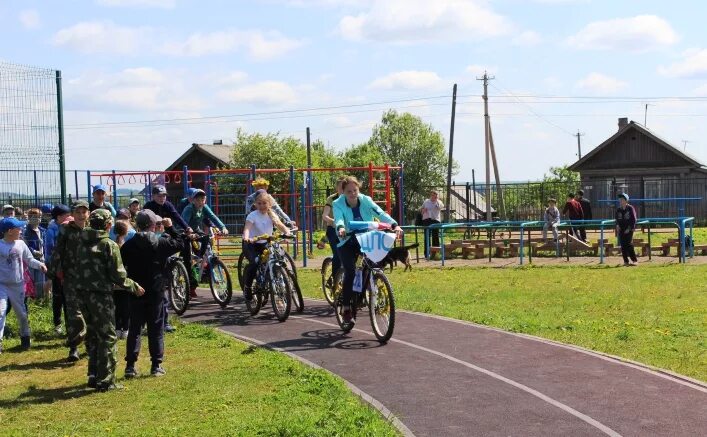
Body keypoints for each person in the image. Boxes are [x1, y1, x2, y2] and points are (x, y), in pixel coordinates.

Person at [74, 209, 144, 391]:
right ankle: (106, 380)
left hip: (82, 294)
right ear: (107, 225)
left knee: (93, 335)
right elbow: (118, 275)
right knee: (107, 336)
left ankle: (93, 374)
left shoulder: (80, 242)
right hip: (101, 296)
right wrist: (134, 287)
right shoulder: (108, 245)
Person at [121, 210, 184, 378]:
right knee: (156, 328)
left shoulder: (128, 246)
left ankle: (130, 366)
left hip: (136, 291)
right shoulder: (161, 243)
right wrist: (170, 228)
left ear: (136, 224)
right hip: (156, 290)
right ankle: (156, 365)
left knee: (134, 328)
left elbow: (122, 266)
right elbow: (180, 243)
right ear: (153, 225)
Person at [333, 176, 402, 324]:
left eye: (355, 190)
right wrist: (341, 228)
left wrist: (394, 224)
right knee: (350, 271)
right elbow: (338, 219)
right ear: (343, 192)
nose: (353, 193)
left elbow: (380, 213)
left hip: (365, 238)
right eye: (349, 191)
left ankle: (368, 287)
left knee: (373, 264)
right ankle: (346, 308)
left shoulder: (366, 200)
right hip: (347, 241)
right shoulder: (337, 203)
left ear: (359, 189)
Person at [47, 200, 91, 362]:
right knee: (73, 314)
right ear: (73, 214)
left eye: (84, 212)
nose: (81, 215)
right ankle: (73, 347)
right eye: (78, 212)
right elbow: (58, 251)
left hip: (90, 279)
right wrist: (51, 274)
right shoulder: (65, 230)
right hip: (71, 278)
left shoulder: (92, 230)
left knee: (89, 312)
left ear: (88, 214)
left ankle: (89, 344)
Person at [0, 217, 47, 353]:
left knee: (21, 313)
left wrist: (40, 265)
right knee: (1, 312)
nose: (21, 230)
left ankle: (25, 337)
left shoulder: (20, 244)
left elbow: (29, 259)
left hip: (18, 285)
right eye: (18, 228)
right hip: (2, 284)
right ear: (9, 231)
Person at [241, 190, 292, 300]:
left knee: (277, 257)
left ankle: (276, 278)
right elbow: (247, 228)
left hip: (265, 243)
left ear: (269, 204)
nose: (262, 206)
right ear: (255, 204)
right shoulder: (252, 215)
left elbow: (279, 225)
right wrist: (247, 237)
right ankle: (247, 287)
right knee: (254, 263)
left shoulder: (271, 214)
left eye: (264, 203)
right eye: (259, 203)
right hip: (251, 244)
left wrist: (287, 232)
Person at [44, 204, 71, 334]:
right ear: (59, 217)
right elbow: (49, 251)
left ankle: (69, 325)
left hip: (69, 268)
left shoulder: (69, 227)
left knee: (68, 298)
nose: (69, 217)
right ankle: (58, 324)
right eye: (67, 215)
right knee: (58, 297)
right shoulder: (51, 230)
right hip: (56, 268)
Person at [321, 178, 346, 280]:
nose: (343, 190)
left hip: (346, 230)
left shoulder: (350, 198)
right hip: (333, 230)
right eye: (341, 188)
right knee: (338, 254)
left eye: (345, 188)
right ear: (337, 188)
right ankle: (334, 280)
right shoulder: (332, 199)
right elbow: (324, 216)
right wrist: (334, 222)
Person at [111, 220, 132, 340]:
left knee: (117, 306)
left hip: (115, 280)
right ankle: (126, 328)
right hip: (125, 279)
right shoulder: (127, 245)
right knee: (126, 306)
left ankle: (117, 328)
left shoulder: (113, 244)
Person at [23, 208, 46, 299]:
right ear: (29, 218)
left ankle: (39, 299)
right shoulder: (26, 231)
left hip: (41, 259)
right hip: (30, 259)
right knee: (31, 279)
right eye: (35, 217)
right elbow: (24, 245)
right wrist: (33, 251)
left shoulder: (42, 230)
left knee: (40, 281)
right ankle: (30, 298)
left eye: (39, 217)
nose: (38, 219)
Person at [616, 193, 638, 267]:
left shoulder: (630, 208)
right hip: (621, 230)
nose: (620, 201)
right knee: (622, 245)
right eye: (620, 199)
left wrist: (629, 229)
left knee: (629, 244)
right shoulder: (618, 210)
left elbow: (634, 219)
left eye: (622, 199)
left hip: (629, 229)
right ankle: (626, 261)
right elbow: (617, 219)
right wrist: (617, 225)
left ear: (626, 200)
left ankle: (634, 260)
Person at [420, 190, 444, 257]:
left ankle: (436, 252)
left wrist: (437, 202)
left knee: (435, 236)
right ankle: (427, 253)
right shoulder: (426, 201)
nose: (434, 197)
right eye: (433, 195)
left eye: (436, 196)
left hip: (435, 220)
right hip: (427, 220)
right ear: (431, 195)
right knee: (427, 236)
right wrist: (423, 210)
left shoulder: (439, 202)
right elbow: (421, 210)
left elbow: (440, 207)